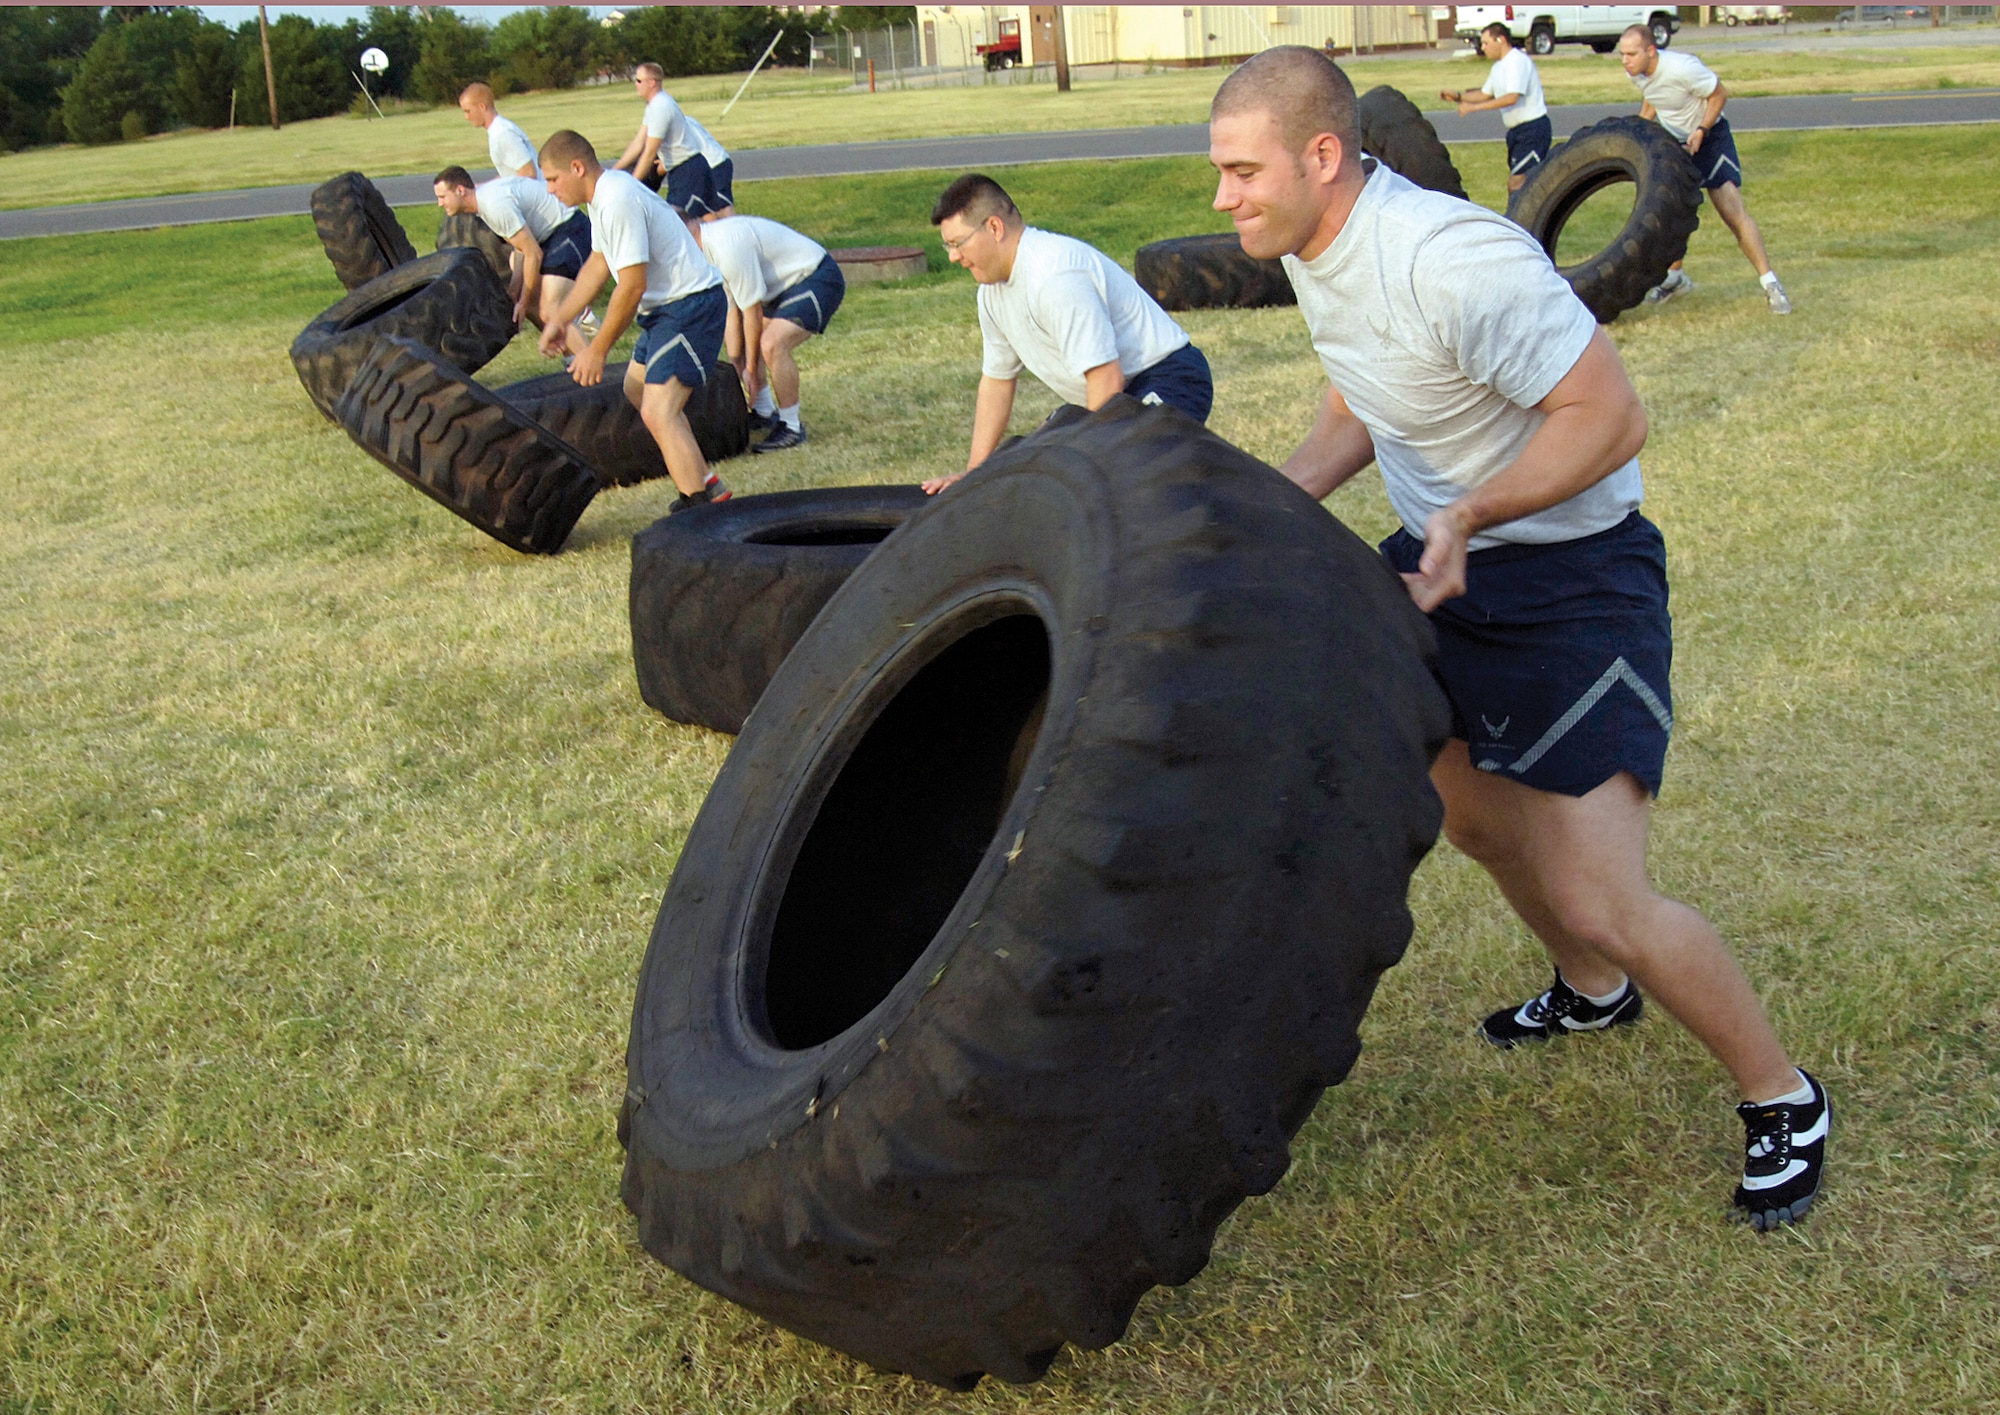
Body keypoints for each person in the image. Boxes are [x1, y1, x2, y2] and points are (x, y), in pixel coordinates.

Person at [1207, 46, 1827, 1230]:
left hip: (1570, 579)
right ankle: (1592, 996)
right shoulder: (1315, 250)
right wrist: (1278, 500)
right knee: (1475, 818)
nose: (1223, 199)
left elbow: (1608, 415)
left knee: (1604, 897)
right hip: (1451, 562)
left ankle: (1782, 1094)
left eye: (1241, 172)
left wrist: (1471, 511)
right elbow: (1360, 392)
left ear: (1321, 157)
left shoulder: (1452, 262)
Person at [922, 172, 1214, 495]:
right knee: (1028, 467)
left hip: (1168, 376)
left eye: (957, 243)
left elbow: (1106, 380)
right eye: (947, 245)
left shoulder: (1055, 276)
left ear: (994, 227)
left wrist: (1088, 462)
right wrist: (973, 475)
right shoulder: (990, 294)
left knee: (1120, 471)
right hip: (1110, 393)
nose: (952, 257)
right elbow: (997, 382)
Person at [537, 130, 731, 511]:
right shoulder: (603, 198)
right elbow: (598, 264)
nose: (549, 190)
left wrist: (597, 349)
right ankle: (707, 482)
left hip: (690, 306)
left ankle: (697, 506)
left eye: (553, 179)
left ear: (577, 168)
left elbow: (631, 285)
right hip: (665, 310)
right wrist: (560, 319)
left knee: (659, 410)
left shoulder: (617, 199)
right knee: (637, 389)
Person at [1617, 26, 1791, 313]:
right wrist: (1639, 129)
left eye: (1631, 54)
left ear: (1651, 51)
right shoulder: (1636, 72)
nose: (1625, 61)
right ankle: (1675, 279)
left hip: (1709, 138)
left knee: (1732, 213)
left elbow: (1720, 94)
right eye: (1622, 54)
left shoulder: (1683, 68)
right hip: (1677, 143)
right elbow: (1654, 96)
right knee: (1670, 215)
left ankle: (1771, 284)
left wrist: (1701, 130)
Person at [683, 209, 845, 454]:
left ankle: (791, 427)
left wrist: (749, 369)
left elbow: (752, 312)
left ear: (684, 231)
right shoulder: (705, 252)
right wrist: (736, 361)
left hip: (816, 276)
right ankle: (763, 411)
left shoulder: (726, 246)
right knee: (752, 344)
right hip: (782, 288)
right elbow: (731, 311)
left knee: (771, 344)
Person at [433, 166, 592, 357]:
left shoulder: (493, 206)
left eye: (442, 197)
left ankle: (592, 366)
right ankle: (573, 360)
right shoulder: (484, 205)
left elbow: (533, 254)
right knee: (531, 299)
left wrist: (523, 301)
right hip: (550, 237)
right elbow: (520, 249)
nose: (439, 204)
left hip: (570, 230)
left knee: (551, 309)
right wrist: (515, 292)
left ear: (460, 191)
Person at [611, 63, 735, 219]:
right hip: (681, 171)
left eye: (638, 80)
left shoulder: (661, 107)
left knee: (675, 221)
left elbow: (649, 152)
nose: (635, 84)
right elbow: (638, 143)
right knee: (710, 218)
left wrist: (633, 183)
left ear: (652, 82)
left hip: (688, 170)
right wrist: (613, 171)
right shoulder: (653, 107)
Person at [1441, 23, 1550, 194]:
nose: (1483, 48)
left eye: (1486, 43)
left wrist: (1474, 108)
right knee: (1527, 184)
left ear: (1501, 39)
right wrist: (1458, 97)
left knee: (1517, 184)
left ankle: (1517, 219)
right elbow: (1485, 93)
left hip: (1532, 130)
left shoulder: (1517, 61)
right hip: (1516, 132)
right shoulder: (1498, 67)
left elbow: (1512, 97)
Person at [457, 82, 538, 179]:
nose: (466, 117)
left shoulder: (502, 134)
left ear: (482, 107)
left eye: (468, 111)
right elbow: (510, 174)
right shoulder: (499, 130)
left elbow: (528, 173)